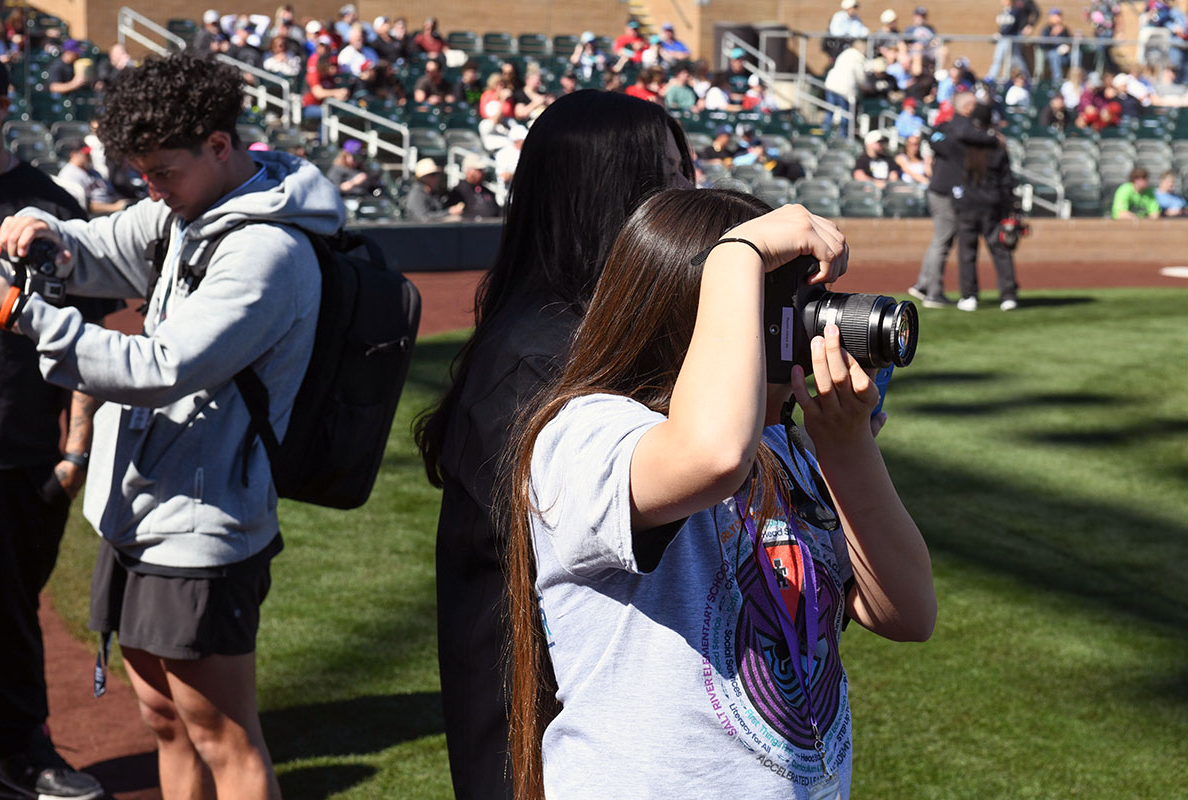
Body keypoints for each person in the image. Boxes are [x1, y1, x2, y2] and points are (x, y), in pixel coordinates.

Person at [0, 52, 346, 800]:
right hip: (146, 507)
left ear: (220, 146)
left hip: (205, 519)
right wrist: (44, 228)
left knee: (223, 734)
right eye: (140, 174)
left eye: (163, 172)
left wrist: (14, 309)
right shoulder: (189, 207)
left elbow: (161, 366)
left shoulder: (267, 251)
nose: (151, 189)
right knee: (163, 717)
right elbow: (102, 244)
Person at [502, 188, 934, 799]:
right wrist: (738, 255)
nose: (814, 336)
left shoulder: (784, 452)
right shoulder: (584, 437)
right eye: (793, 314)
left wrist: (847, 449)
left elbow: (909, 612)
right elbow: (712, 455)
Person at [413, 90, 708, 800]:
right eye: (667, 176)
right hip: (545, 734)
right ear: (611, 195)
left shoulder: (579, 334)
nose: (688, 194)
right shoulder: (539, 358)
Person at [0, 55, 109, 800]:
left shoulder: (48, 203)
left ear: (1, 102)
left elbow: (92, 344)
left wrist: (74, 455)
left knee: (8, 613)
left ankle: (22, 757)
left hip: (18, 448)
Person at [909, 91, 1000, 308]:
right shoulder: (965, 129)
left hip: (940, 188)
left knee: (942, 239)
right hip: (947, 191)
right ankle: (933, 292)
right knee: (943, 240)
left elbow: (935, 138)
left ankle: (923, 284)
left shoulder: (947, 127)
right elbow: (984, 138)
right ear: (968, 107)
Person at [953, 104, 1020, 311]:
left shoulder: (964, 144)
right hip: (992, 204)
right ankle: (1008, 296)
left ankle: (969, 296)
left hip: (967, 204)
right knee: (1000, 250)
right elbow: (1007, 182)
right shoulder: (997, 146)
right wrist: (1011, 208)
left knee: (967, 252)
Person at [56, 145, 132, 215]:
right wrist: (114, 207)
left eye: (89, 154)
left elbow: (110, 191)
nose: (89, 157)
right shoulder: (69, 175)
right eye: (85, 154)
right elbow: (84, 206)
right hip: (95, 216)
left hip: (112, 208)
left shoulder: (93, 171)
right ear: (73, 155)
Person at [404, 157, 462, 222]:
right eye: (432, 175)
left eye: (437, 174)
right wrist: (449, 212)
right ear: (423, 178)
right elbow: (424, 218)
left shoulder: (432, 193)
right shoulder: (417, 195)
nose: (437, 177)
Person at [449, 155, 501, 219]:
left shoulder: (486, 191)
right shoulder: (458, 191)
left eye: (482, 170)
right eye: (478, 170)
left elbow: (497, 210)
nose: (482, 173)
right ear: (469, 172)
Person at [1040, 7, 1074, 84]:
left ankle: (1074, 79)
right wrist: (1053, 34)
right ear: (1050, 17)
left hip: (1065, 54)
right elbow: (1043, 44)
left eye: (1059, 15)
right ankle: (1057, 81)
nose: (1058, 18)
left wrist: (1068, 47)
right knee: (1054, 55)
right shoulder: (1046, 29)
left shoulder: (1064, 29)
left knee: (1076, 54)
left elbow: (1070, 42)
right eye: (1055, 15)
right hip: (1051, 53)